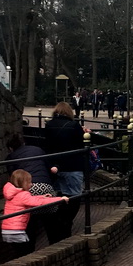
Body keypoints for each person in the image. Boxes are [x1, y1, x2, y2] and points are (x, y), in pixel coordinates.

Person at [5, 131, 62, 246]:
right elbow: (49, 168)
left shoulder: (11, 157)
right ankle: (55, 244)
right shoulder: (38, 150)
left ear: (11, 148)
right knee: (50, 219)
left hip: (27, 189)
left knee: (30, 220)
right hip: (45, 185)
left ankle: (29, 248)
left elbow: (14, 179)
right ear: (23, 143)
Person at [2, 169, 68, 257]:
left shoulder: (13, 194)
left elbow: (32, 199)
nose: (31, 184)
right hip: (17, 231)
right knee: (26, 253)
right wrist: (60, 199)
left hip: (7, 230)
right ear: (22, 183)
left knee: (19, 251)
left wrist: (43, 197)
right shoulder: (23, 194)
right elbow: (37, 202)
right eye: (29, 182)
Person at [44, 101, 86, 241]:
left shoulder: (49, 125)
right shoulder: (74, 126)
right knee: (74, 196)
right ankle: (66, 222)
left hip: (55, 166)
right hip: (72, 166)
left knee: (59, 194)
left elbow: (47, 146)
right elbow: (81, 145)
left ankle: (60, 223)